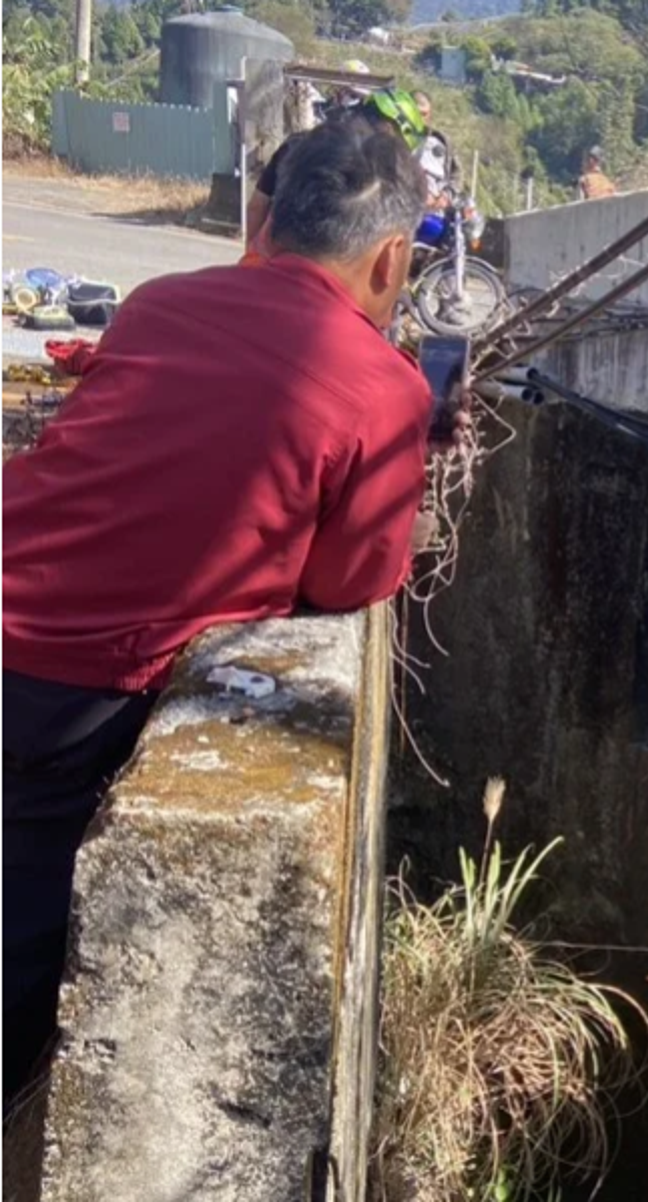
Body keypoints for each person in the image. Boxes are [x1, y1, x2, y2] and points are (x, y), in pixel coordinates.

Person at [2, 121, 434, 1112]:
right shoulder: (386, 390)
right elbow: (352, 581)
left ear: (261, 222)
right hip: (67, 688)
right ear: (391, 256)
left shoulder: (161, 303)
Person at [244, 85, 428, 262]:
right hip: (320, 283)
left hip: (268, 265)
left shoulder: (297, 143)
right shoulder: (375, 176)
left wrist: (251, 256)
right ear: (389, 128)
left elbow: (257, 205)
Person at [412, 90, 458, 211]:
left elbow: (456, 176)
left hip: (434, 213)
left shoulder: (441, 141)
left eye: (424, 114)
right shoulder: (394, 138)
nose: (420, 118)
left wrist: (446, 196)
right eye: (416, 113)